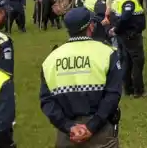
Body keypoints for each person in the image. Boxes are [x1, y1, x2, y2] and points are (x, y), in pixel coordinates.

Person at [41, 8, 123, 147]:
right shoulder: (107, 53)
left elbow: (47, 101)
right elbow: (113, 94)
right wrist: (92, 126)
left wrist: (68, 127)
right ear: (91, 26)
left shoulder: (50, 60)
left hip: (67, 134)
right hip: (101, 131)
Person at [112, 0, 147, 98]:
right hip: (131, 35)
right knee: (137, 62)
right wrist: (117, 29)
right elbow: (124, 17)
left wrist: (117, 30)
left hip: (124, 35)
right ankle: (139, 90)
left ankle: (128, 89)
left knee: (126, 62)